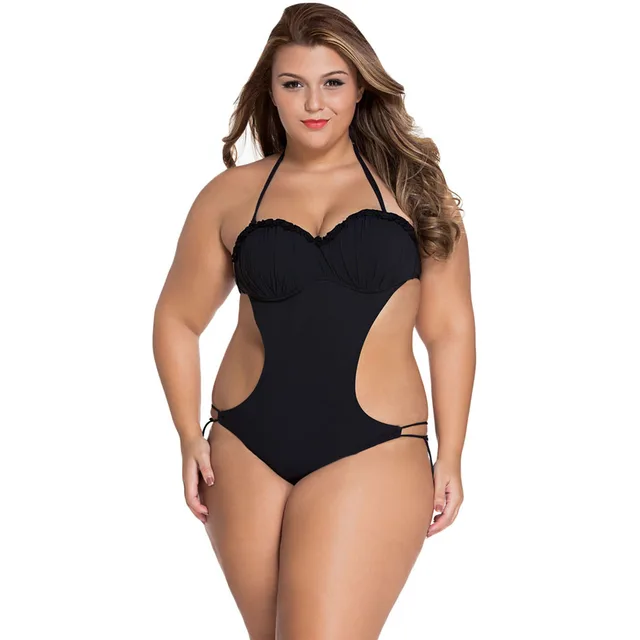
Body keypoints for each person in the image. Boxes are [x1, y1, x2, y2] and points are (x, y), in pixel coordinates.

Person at [153, 3, 475, 638]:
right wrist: (188, 435)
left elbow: (449, 330)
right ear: (270, 92)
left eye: (332, 82)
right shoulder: (230, 195)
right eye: (292, 83)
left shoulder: (414, 190)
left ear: (360, 88)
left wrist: (454, 453)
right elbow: (176, 317)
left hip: (376, 444)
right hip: (243, 447)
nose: (313, 103)